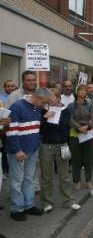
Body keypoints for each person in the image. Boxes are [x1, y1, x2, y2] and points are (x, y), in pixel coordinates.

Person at [6, 88, 52, 221]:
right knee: (17, 181)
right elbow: (11, 131)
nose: (44, 105)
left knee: (29, 179)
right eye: (43, 102)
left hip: (32, 149)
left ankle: (28, 205)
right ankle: (17, 209)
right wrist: (17, 150)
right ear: (36, 97)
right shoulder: (17, 107)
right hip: (19, 151)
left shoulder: (37, 107)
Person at [39, 89, 81, 213]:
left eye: (53, 97)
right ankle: (47, 202)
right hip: (47, 146)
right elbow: (41, 130)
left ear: (58, 98)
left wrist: (50, 121)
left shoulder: (66, 110)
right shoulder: (43, 110)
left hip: (62, 145)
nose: (51, 100)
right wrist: (46, 118)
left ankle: (68, 201)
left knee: (64, 176)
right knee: (46, 176)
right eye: (48, 98)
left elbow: (63, 127)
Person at [68, 84, 93, 193]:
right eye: (81, 91)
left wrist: (88, 126)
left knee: (88, 159)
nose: (83, 93)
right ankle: (76, 181)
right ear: (77, 92)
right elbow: (69, 119)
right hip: (75, 135)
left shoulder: (90, 104)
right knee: (76, 159)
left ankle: (88, 180)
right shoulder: (71, 105)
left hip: (88, 134)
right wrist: (79, 127)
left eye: (84, 91)